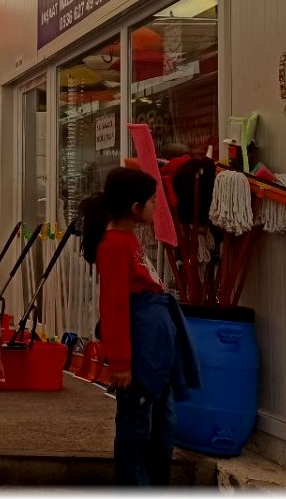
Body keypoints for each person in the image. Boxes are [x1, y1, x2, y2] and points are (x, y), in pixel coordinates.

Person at [80, 167, 200, 486]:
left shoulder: (127, 239)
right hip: (141, 355)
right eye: (152, 200)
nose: (156, 206)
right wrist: (120, 363)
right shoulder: (114, 245)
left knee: (161, 429)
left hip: (155, 352)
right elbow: (115, 305)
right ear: (135, 208)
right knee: (136, 432)